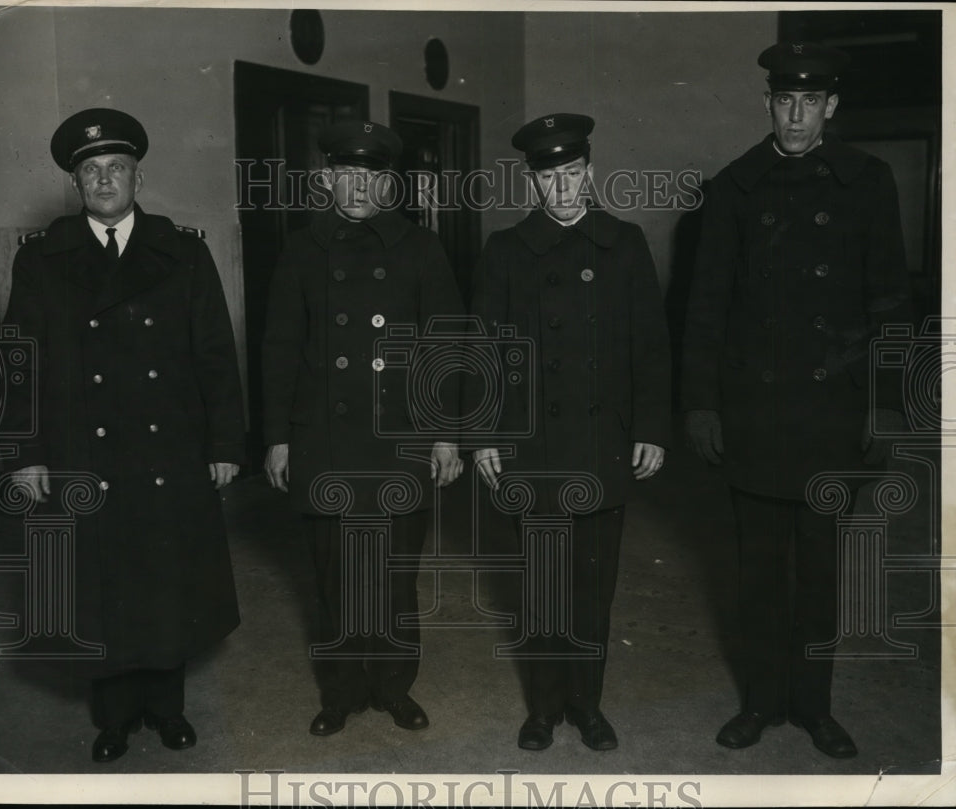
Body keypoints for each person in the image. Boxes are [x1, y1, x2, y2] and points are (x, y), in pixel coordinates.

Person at [682, 43, 911, 759]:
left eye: (811, 102)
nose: (797, 114)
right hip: (755, 410)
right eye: (785, 100)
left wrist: (886, 402)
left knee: (819, 569)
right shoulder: (735, 188)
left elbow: (890, 303)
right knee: (757, 571)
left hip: (831, 413)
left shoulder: (868, 182)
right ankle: (759, 703)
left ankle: (815, 706)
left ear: (831, 107)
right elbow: (705, 306)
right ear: (769, 104)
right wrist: (701, 403)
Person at [0, 108, 246, 762]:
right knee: (100, 585)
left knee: (166, 582)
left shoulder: (183, 252)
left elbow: (216, 356)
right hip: (84, 447)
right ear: (76, 183)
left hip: (168, 448)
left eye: (116, 167)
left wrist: (224, 444)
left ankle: (167, 709)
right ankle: (112, 717)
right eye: (91, 170)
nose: (104, 179)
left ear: (138, 174)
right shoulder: (44, 260)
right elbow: (18, 358)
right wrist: (25, 455)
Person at [468, 113, 671, 751]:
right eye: (549, 176)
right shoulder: (505, 250)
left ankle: (588, 705)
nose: (563, 187)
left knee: (593, 585)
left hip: (600, 441)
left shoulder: (624, 242)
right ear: (532, 184)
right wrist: (484, 434)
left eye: (573, 172)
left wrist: (651, 427)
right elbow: (484, 350)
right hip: (532, 446)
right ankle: (543, 707)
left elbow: (651, 344)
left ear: (591, 173)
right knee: (538, 585)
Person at [262, 120, 464, 737]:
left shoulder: (420, 247)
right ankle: (342, 691)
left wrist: (447, 432)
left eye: (372, 174)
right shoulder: (302, 248)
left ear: (389, 182)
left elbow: (447, 344)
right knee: (333, 576)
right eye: (346, 172)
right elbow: (279, 347)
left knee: (396, 575)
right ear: (326, 178)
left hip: (399, 437)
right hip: (323, 437)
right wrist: (277, 435)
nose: (358, 185)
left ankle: (395, 687)